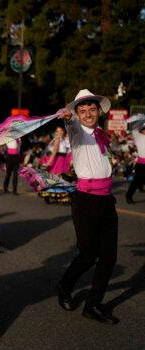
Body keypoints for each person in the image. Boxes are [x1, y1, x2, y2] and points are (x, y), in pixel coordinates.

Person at [56, 89, 119, 324]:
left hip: (106, 200)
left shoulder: (101, 133)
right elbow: (71, 124)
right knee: (88, 254)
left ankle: (92, 305)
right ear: (78, 115)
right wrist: (68, 116)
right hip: (86, 201)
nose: (88, 113)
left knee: (109, 258)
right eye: (82, 111)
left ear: (98, 111)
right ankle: (64, 287)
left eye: (91, 109)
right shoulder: (77, 131)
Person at [126, 121, 145, 204]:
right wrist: (142, 120)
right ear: (141, 130)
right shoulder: (138, 136)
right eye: (144, 129)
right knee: (136, 181)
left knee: (141, 180)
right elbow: (134, 128)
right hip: (141, 164)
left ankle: (140, 186)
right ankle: (128, 196)